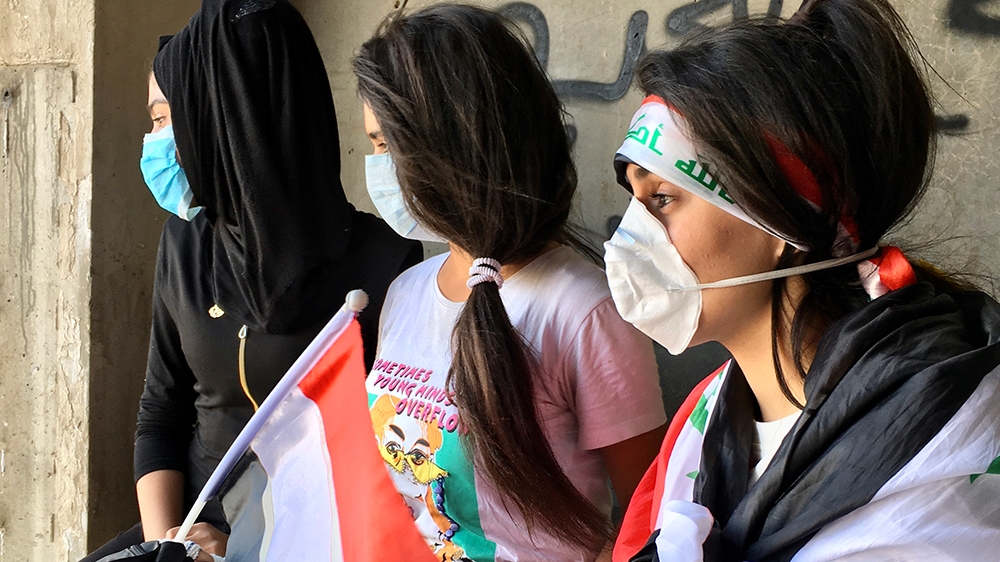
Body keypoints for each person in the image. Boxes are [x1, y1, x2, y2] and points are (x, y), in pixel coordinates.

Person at [602, 0, 1000, 560]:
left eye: (663, 199)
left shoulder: (943, 463)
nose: (630, 234)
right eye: (635, 200)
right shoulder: (706, 414)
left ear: (782, 220)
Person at [80, 1, 422, 560]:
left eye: (169, 120)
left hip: (306, 537)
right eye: (154, 121)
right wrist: (171, 545)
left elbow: (383, 470)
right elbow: (160, 412)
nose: (156, 142)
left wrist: (242, 549)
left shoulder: (387, 265)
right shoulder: (185, 244)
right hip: (183, 531)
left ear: (222, 119)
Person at [352, 5, 668, 561]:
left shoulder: (585, 310)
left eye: (388, 145)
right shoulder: (405, 292)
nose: (379, 169)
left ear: (456, 147)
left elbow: (648, 522)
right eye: (375, 144)